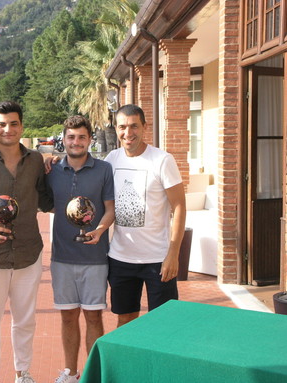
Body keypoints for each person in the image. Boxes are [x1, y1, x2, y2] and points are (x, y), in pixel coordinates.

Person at [0, 101, 51, 383]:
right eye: (2, 124)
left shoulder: (37, 160)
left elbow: (45, 196)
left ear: (22, 127)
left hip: (29, 251)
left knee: (25, 320)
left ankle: (22, 372)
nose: (8, 129)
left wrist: (60, 166)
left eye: (13, 123)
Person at [46, 115, 114, 383]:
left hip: (95, 257)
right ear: (64, 139)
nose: (76, 142)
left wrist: (100, 229)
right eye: (71, 137)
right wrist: (44, 160)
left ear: (89, 140)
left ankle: (92, 375)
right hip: (62, 257)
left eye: (82, 137)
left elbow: (110, 209)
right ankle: (70, 373)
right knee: (67, 317)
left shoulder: (104, 169)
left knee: (94, 316)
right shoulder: (51, 171)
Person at [105, 104, 186, 327]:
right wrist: (54, 162)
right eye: (122, 126)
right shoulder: (111, 159)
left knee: (163, 323)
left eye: (134, 126)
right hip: (121, 258)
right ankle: (127, 363)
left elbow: (179, 206)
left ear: (144, 127)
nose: (128, 133)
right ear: (116, 128)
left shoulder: (162, 160)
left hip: (158, 260)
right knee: (126, 319)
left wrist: (173, 253)